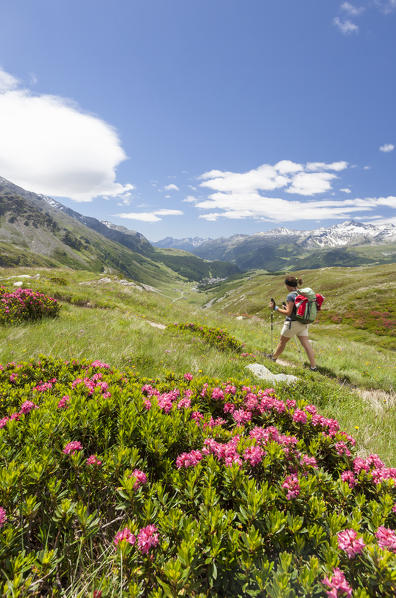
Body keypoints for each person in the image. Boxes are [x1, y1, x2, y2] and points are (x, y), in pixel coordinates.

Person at [267, 275, 317, 370]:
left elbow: (288, 313)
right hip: (303, 323)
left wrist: (275, 308)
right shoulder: (301, 293)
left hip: (292, 324)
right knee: (306, 345)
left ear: (289, 286)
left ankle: (273, 358)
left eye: (286, 286)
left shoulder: (290, 295)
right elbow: (296, 309)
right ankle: (313, 367)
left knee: (282, 342)